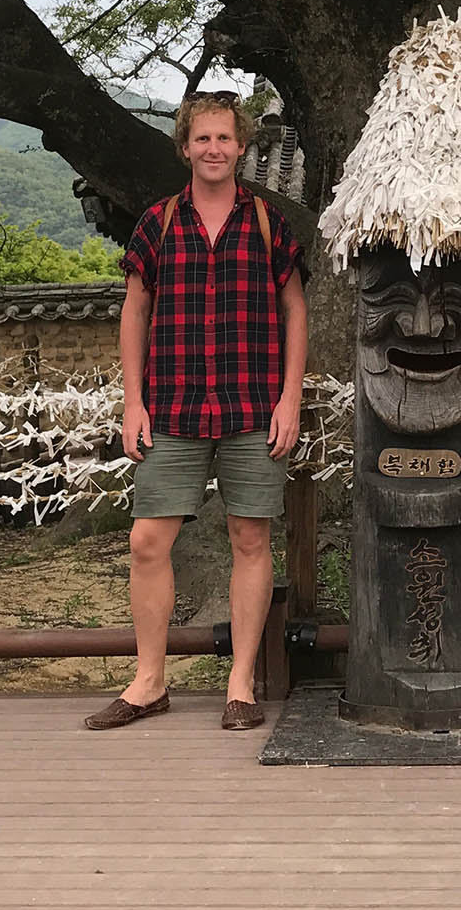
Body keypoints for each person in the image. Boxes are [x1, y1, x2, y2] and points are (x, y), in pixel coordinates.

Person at [84, 90, 308, 731]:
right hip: (173, 403)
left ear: (242, 147)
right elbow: (135, 312)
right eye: (202, 139)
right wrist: (132, 402)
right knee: (148, 540)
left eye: (225, 139)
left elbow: (296, 311)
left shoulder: (269, 222)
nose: (214, 149)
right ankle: (149, 681)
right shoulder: (156, 222)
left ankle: (240, 683)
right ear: (185, 147)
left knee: (251, 538)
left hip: (253, 403)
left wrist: (290, 398)